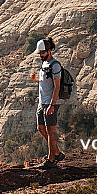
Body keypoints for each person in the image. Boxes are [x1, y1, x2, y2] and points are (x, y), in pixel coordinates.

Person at [30, 36, 66, 168]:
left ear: (49, 51)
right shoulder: (44, 64)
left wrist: (52, 104)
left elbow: (57, 86)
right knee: (41, 128)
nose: (40, 55)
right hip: (42, 102)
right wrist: (35, 79)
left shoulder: (55, 65)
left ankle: (51, 160)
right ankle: (57, 153)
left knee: (51, 131)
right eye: (39, 53)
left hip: (50, 103)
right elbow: (46, 83)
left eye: (43, 53)